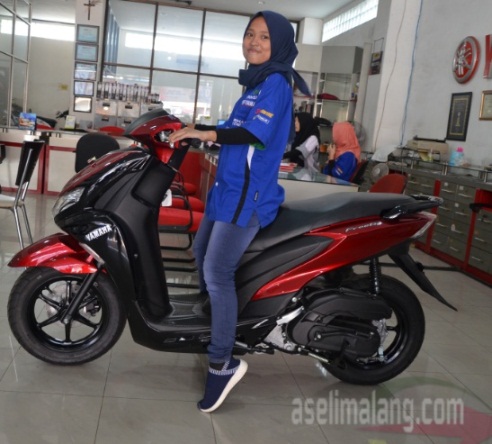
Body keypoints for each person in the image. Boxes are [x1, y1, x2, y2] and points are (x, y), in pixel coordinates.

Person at [169, 10, 310, 413]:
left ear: (279, 44)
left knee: (217, 272)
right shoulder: (254, 84)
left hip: (248, 196)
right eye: (250, 34)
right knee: (200, 254)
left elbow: (252, 133)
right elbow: (232, 130)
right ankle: (215, 327)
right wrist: (195, 130)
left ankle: (222, 362)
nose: (254, 42)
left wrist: (206, 132)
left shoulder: (276, 83)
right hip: (226, 191)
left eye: (264, 37)